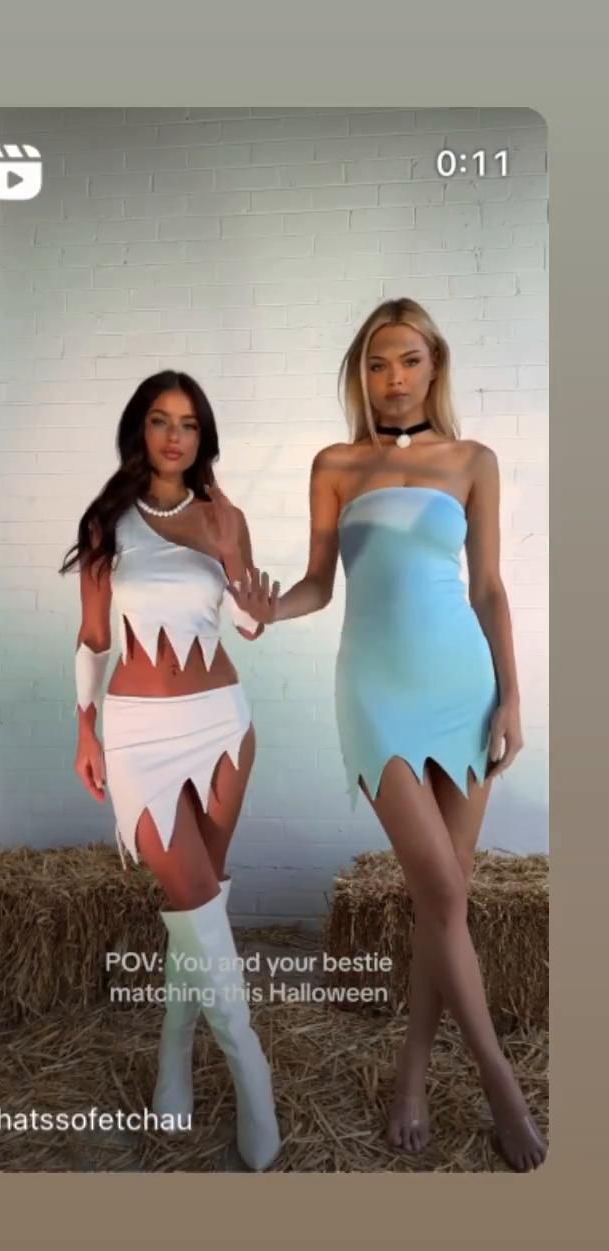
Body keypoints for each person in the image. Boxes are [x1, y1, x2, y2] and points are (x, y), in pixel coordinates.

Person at [228, 297, 547, 1172]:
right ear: (360, 375)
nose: (393, 378)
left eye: (408, 360)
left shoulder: (474, 461)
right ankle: (501, 1086)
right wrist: (268, 612)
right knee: (442, 891)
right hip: (375, 694)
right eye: (376, 363)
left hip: (463, 686)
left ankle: (411, 1073)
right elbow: (318, 584)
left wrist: (512, 697)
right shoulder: (335, 465)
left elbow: (488, 588)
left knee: (443, 900)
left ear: (434, 366)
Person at [59, 370, 281, 1172]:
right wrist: (85, 729)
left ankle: (173, 1053)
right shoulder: (107, 522)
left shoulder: (226, 517)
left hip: (222, 726)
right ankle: (252, 1072)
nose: (175, 436)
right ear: (140, 430)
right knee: (193, 899)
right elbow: (94, 637)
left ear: (202, 437)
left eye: (188, 424)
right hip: (139, 738)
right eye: (161, 421)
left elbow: (249, 624)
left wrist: (239, 570)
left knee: (200, 906)